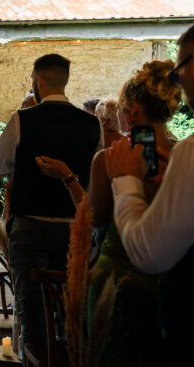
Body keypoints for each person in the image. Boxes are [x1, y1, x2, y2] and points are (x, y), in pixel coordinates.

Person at [37, 60, 180, 366]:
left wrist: (67, 177)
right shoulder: (182, 156)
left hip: (115, 286)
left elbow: (92, 218)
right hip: (171, 285)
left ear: (131, 112)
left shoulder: (108, 160)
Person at [0, 54, 101, 357]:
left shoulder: (21, 120)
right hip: (74, 230)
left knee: (32, 313)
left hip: (30, 229)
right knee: (70, 310)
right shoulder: (93, 125)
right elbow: (96, 179)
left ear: (38, 80)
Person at [104, 24, 194, 361]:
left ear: (132, 112)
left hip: (128, 282)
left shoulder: (115, 159)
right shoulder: (176, 151)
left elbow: (145, 250)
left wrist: (124, 180)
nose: (179, 81)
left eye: (181, 70)